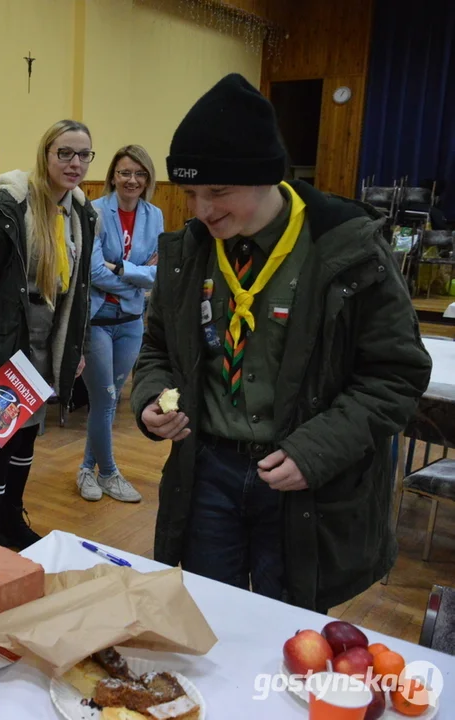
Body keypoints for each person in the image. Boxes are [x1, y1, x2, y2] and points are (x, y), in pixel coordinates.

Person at [130, 73, 432, 612]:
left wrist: (314, 451)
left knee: (287, 635)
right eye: (191, 193)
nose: (202, 209)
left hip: (304, 485)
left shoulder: (349, 251)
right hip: (208, 475)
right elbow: (157, 351)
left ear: (267, 177)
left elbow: (396, 375)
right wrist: (152, 397)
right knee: (208, 621)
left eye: (218, 191)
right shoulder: (188, 253)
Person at [0, 120, 95, 549]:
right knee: (2, 439)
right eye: (65, 153)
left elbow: (79, 291)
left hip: (47, 345)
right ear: (46, 154)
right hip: (10, 341)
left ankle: (12, 518)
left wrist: (75, 348)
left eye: (83, 155)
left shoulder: (79, 212)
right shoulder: (11, 207)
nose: (75, 163)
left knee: (27, 436)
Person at [77, 145, 163, 504]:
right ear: (113, 175)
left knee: (109, 400)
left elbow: (159, 273)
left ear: (148, 179)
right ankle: (109, 473)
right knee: (105, 399)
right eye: (125, 173)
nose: (132, 180)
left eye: (139, 174)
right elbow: (94, 271)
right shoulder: (94, 211)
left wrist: (121, 268)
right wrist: (137, 276)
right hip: (97, 320)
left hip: (131, 321)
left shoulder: (154, 215)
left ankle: (86, 469)